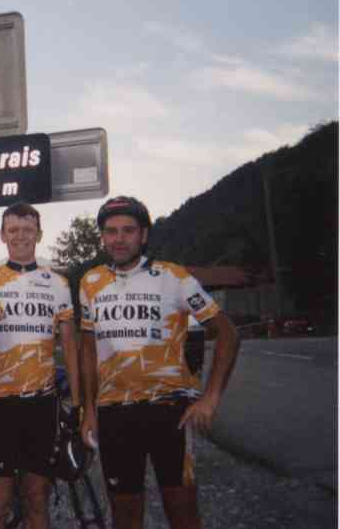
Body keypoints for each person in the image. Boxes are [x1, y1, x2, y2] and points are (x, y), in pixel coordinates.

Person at [78, 196, 240, 529]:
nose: (119, 238)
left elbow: (227, 333)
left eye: (128, 230)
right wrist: (89, 411)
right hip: (114, 413)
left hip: (170, 410)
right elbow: (88, 350)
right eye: (111, 231)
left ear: (144, 235)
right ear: (103, 237)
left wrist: (210, 398)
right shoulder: (90, 282)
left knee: (182, 513)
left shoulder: (173, 277)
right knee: (125, 516)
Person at [0, 202, 76, 529]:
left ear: (38, 234)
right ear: (2, 235)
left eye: (27, 230)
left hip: (42, 402)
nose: (20, 236)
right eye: (13, 230)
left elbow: (69, 345)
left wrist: (80, 403)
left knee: (36, 497)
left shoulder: (57, 283)